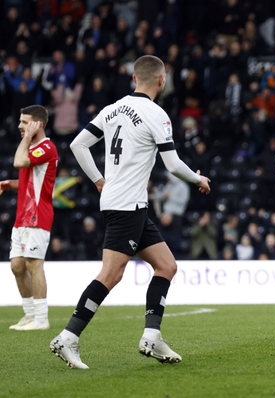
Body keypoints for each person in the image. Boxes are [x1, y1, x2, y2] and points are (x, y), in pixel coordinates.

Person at [50, 55, 211, 370]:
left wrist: (98, 179)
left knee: (166, 265)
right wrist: (198, 179)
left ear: (135, 78)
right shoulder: (157, 114)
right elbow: (173, 164)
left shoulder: (111, 109)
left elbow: (78, 146)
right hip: (127, 205)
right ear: (161, 80)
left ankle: (152, 335)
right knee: (111, 274)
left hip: (125, 202)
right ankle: (68, 337)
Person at [0, 105, 57, 331]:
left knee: (34, 264)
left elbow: (19, 162)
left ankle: (41, 319)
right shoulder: (33, 148)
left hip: (37, 216)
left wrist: (26, 140)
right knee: (16, 266)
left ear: (37, 124)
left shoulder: (47, 147)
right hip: (22, 216)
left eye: (25, 122)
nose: (19, 126)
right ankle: (30, 315)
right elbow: (30, 181)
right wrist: (10, 184)